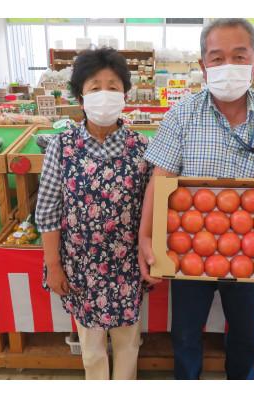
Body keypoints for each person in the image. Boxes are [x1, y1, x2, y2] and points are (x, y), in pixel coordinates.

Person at [138, 18, 254, 380]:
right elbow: (160, 181)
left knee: (246, 333)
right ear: (203, 65)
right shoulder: (183, 114)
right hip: (188, 245)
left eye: (239, 56)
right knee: (186, 332)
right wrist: (146, 236)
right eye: (217, 58)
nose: (227, 67)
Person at [35, 47, 151, 380]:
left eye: (113, 87)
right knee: (91, 346)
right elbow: (47, 210)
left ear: (125, 95)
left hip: (127, 263)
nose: (104, 94)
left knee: (129, 342)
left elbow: (153, 208)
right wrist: (54, 265)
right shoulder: (62, 145)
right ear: (81, 95)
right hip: (80, 266)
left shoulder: (140, 146)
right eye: (94, 87)